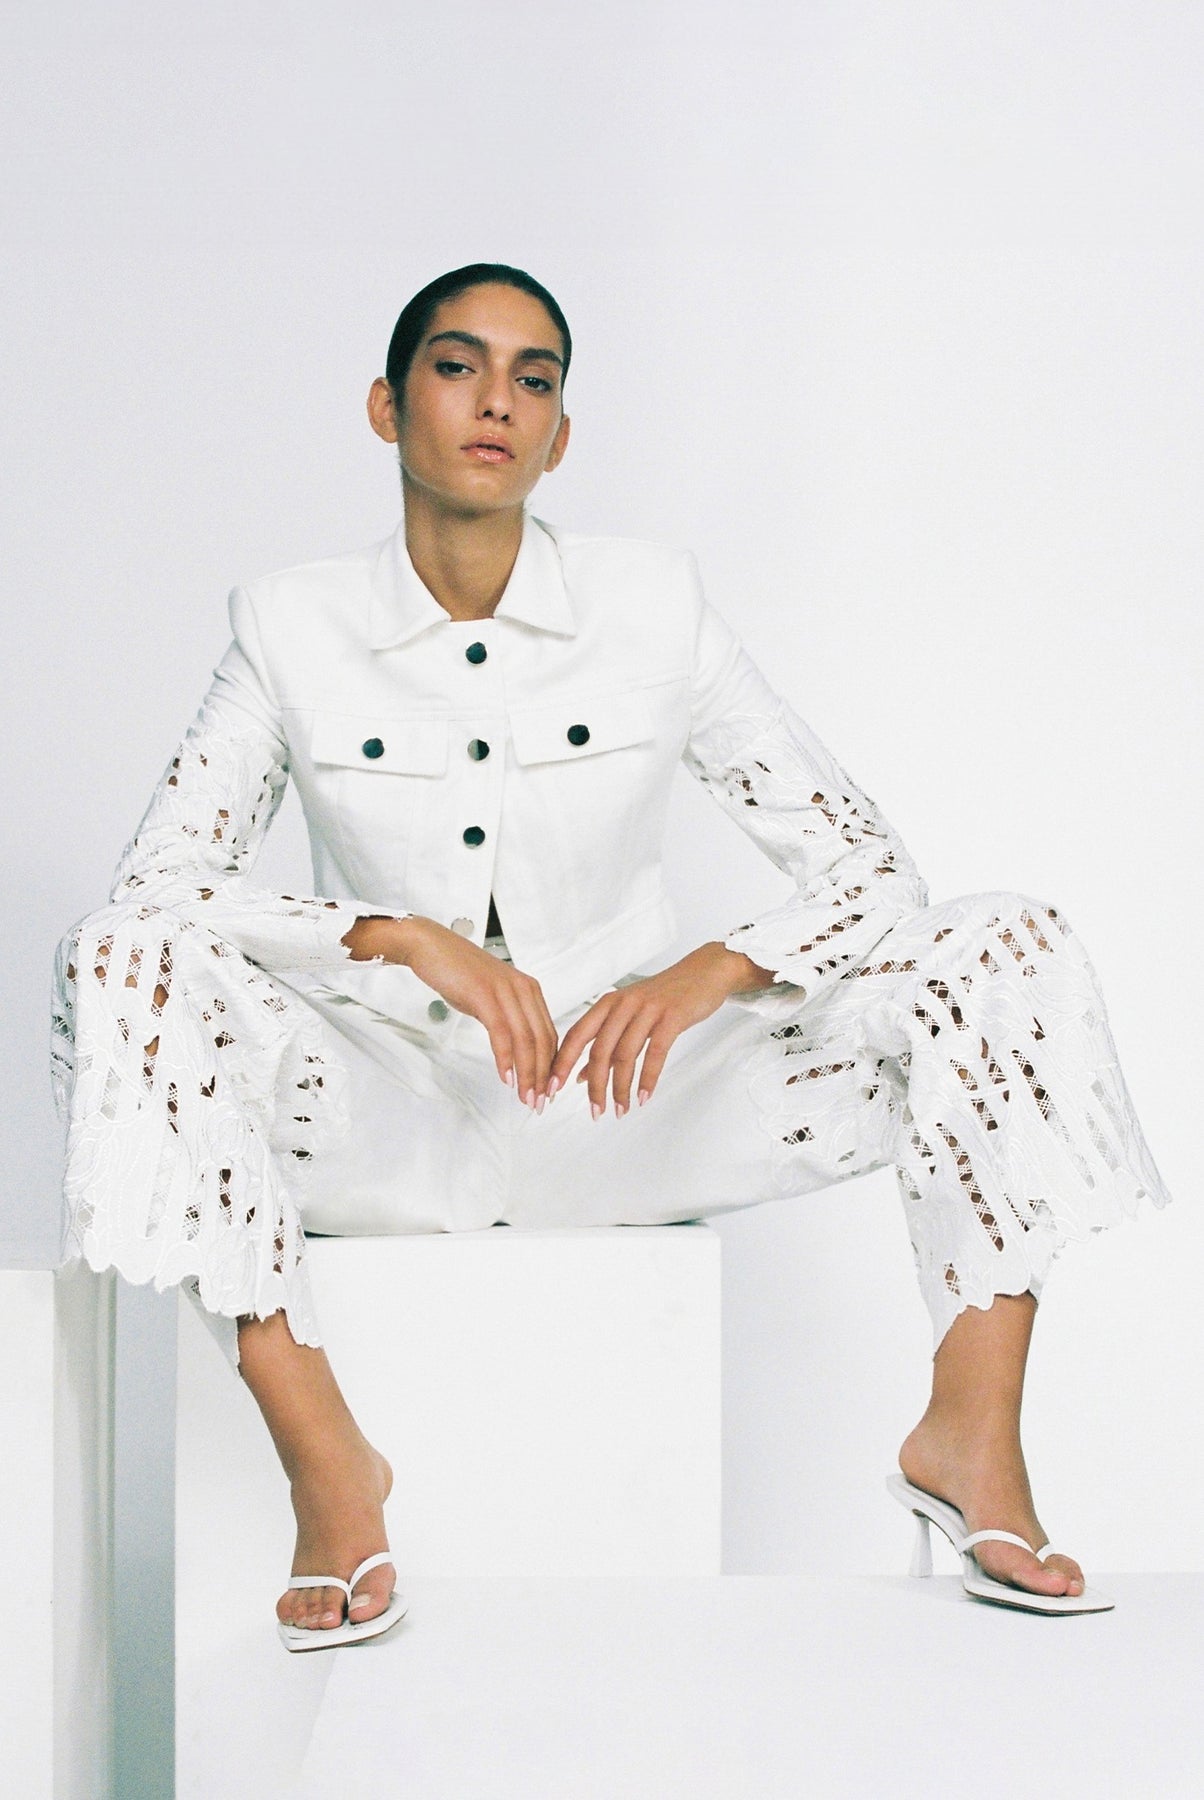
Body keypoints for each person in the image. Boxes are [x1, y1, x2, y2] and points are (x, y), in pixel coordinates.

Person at [51, 262, 1173, 1643]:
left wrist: (714, 970)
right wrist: (396, 939)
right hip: (386, 1115)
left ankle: (972, 1438)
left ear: (561, 434)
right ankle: (328, 1463)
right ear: (386, 405)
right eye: (458, 366)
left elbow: (873, 870)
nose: (497, 402)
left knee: (1006, 943)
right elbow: (160, 887)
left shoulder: (654, 606)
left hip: (627, 1104)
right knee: (119, 957)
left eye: (534, 380)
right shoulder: (289, 626)